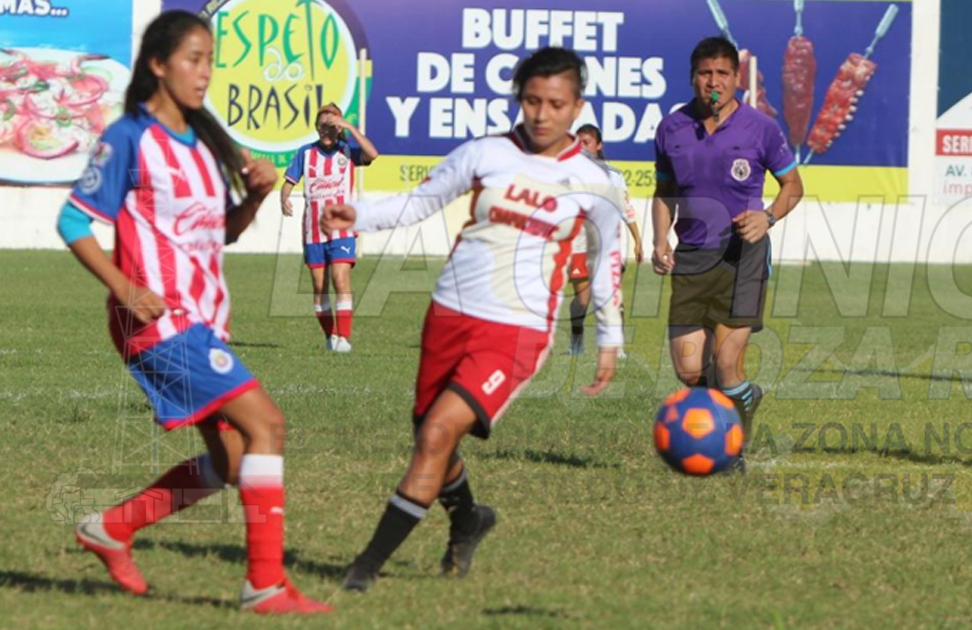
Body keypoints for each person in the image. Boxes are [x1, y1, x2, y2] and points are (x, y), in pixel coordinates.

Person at [321, 47, 626, 592]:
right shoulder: (486, 152)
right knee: (428, 434)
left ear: (577, 106)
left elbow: (604, 260)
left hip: (516, 331)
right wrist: (358, 215)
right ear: (519, 99)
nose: (542, 114)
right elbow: (420, 202)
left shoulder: (594, 181)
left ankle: (362, 570)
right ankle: (467, 519)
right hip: (448, 312)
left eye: (556, 104)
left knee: (437, 433)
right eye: (532, 100)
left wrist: (610, 336)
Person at [58, 11, 328, 613]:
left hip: (201, 321)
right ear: (159, 64)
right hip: (158, 322)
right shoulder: (130, 137)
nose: (205, 73)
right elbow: (73, 221)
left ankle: (112, 528)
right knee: (267, 426)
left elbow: (219, 233)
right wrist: (125, 288)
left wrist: (254, 197)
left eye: (210, 61)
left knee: (232, 461)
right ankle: (265, 586)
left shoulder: (204, 145)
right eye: (194, 60)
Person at [651, 36, 803, 463]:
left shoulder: (761, 128)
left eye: (722, 73)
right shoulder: (671, 128)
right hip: (692, 256)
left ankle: (728, 449)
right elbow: (664, 192)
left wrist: (767, 217)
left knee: (727, 361)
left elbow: (793, 186)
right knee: (689, 371)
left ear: (737, 78)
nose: (713, 82)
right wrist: (660, 240)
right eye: (705, 73)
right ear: (692, 78)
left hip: (742, 256)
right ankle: (737, 403)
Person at [280, 102, 378, 353]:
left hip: (343, 229)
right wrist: (284, 198)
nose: (326, 130)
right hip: (313, 230)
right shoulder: (305, 153)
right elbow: (288, 183)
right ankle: (330, 337)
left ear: (339, 128)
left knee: (340, 278)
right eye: (322, 125)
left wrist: (350, 128)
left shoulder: (347, 151)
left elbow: (373, 154)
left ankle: (343, 338)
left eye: (331, 125)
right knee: (319, 286)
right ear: (316, 127)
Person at [567, 123, 644, 358]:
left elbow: (626, 209)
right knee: (582, 299)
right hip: (578, 244)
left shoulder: (613, 176)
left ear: (599, 145)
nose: (581, 147)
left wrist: (638, 240)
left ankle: (615, 347)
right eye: (577, 143)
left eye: (586, 142)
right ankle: (576, 342)